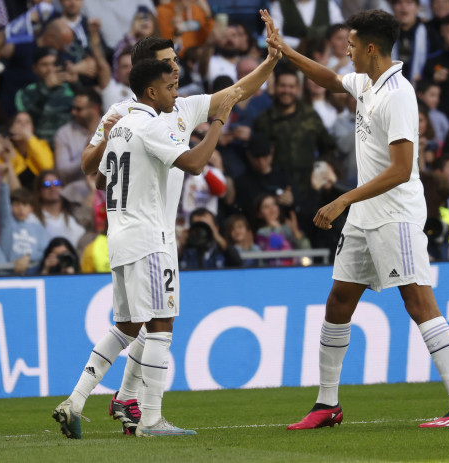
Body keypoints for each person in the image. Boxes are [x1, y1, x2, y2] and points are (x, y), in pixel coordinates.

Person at [263, 8, 449, 429]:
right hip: (365, 216)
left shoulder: (398, 94)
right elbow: (328, 79)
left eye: (349, 45)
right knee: (339, 301)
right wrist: (285, 51)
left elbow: (401, 169)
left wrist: (343, 199)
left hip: (396, 215)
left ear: (369, 47)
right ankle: (327, 404)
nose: (345, 52)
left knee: (419, 303)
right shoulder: (367, 82)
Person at [78, 35, 280, 436]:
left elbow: (236, 92)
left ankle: (120, 398)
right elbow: (88, 165)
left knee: (144, 321)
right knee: (154, 323)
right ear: (147, 72)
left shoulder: (181, 105)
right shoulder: (123, 112)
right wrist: (107, 137)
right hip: (143, 230)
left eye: (175, 61)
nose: (177, 68)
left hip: (163, 230)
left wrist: (272, 60)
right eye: (168, 63)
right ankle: (138, 408)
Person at [52, 58, 243, 438]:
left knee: (126, 327)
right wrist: (218, 120)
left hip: (119, 238)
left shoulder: (119, 127)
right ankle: (152, 420)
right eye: (170, 87)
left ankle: (74, 401)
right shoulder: (150, 124)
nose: (176, 93)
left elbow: (101, 179)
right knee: (161, 325)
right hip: (149, 238)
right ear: (151, 91)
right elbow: (194, 163)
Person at [253, 65, 336, 196]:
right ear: (275, 87)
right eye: (282, 85)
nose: (287, 90)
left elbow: (329, 148)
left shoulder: (311, 116)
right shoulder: (263, 121)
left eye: (291, 86)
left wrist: (322, 170)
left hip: (309, 190)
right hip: (276, 191)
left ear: (298, 89)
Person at [54, 88, 101, 185]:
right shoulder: (64, 133)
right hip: (78, 188)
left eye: (78, 109)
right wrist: (86, 155)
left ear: (95, 109)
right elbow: (62, 173)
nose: (73, 112)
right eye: (73, 108)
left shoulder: (112, 127)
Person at [0, 184, 48, 275]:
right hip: (7, 273)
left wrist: (28, 257)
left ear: (31, 209)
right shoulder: (7, 224)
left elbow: (45, 252)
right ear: (10, 207)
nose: (21, 209)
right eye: (16, 205)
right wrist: (4, 183)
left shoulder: (39, 229)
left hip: (33, 274)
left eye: (25, 205)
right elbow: (3, 204)